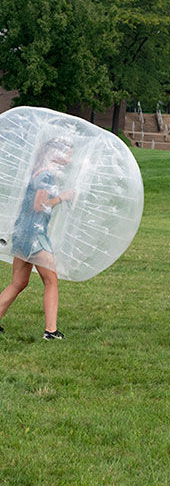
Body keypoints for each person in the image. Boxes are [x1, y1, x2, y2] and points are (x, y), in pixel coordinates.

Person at [0, 137, 74, 340]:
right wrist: (64, 197)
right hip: (34, 235)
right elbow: (39, 205)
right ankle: (51, 331)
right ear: (56, 153)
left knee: (18, 282)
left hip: (22, 233)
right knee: (51, 281)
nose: (70, 158)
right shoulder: (47, 175)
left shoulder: (39, 171)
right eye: (67, 153)